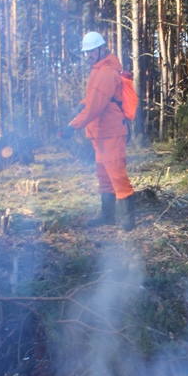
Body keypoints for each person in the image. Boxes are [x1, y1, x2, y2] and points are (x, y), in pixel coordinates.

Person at [67, 31, 136, 230]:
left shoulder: (106, 71)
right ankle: (108, 217)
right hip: (100, 133)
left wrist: (73, 126)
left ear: (101, 49)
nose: (88, 55)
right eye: (86, 52)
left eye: (92, 51)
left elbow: (96, 105)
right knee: (104, 175)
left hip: (112, 132)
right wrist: (82, 104)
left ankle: (129, 221)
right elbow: (94, 97)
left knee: (116, 175)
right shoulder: (98, 70)